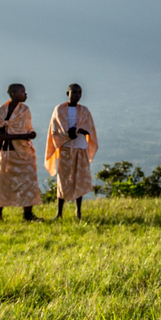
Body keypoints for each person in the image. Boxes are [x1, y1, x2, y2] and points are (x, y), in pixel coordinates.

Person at [45, 83, 98, 220]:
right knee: (63, 179)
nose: (77, 95)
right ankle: (59, 213)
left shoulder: (84, 111)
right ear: (67, 93)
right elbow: (54, 130)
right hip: (65, 148)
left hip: (81, 148)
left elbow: (89, 129)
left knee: (79, 179)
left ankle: (78, 212)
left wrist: (78, 131)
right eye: (74, 93)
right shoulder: (59, 110)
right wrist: (67, 134)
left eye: (79, 93)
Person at [0, 83, 43, 222]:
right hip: (6, 152)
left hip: (23, 153)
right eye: (23, 92)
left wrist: (30, 134)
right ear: (13, 93)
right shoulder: (1, 111)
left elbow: (27, 129)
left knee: (28, 182)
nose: (26, 94)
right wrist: (21, 136)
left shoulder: (25, 110)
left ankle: (27, 215)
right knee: (2, 184)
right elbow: (0, 135)